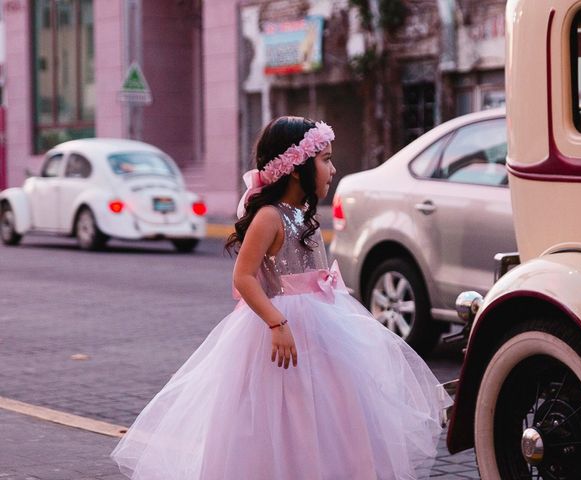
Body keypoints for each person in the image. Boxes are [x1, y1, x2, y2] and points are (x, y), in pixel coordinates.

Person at [111, 116, 452, 479]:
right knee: (285, 413)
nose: (332, 169)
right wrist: (276, 321)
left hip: (325, 324)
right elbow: (243, 276)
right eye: (324, 160)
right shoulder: (269, 218)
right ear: (295, 169)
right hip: (284, 328)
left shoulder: (305, 217)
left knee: (334, 411)